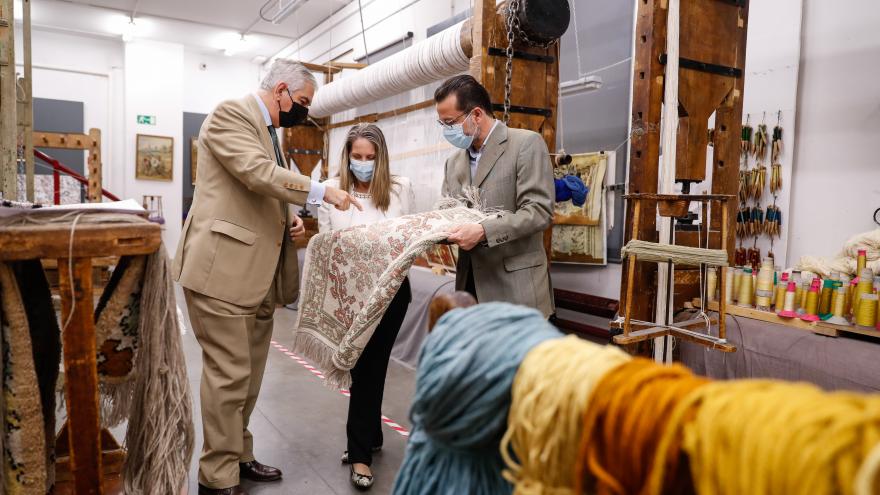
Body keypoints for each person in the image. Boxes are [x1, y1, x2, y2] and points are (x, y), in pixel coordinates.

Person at [173, 60, 362, 495]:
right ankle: (216, 477)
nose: (304, 112)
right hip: (221, 272)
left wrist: (291, 219)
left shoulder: (271, 133)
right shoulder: (230, 114)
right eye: (303, 103)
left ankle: (238, 455)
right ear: (281, 90)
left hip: (255, 277)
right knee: (228, 376)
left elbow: (260, 193)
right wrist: (320, 191)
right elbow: (256, 173)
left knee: (250, 376)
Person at [317, 123, 414, 491]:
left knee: (370, 366)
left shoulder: (400, 188)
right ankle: (371, 435)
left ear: (381, 158)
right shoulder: (331, 189)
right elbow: (327, 242)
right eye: (356, 157)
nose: (363, 163)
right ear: (347, 156)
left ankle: (359, 454)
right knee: (361, 368)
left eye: (370, 158)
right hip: (349, 295)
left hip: (390, 295)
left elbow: (408, 237)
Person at [435, 74, 554, 316]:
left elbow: (539, 212)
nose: (447, 131)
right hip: (470, 290)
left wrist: (483, 232)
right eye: (443, 125)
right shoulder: (453, 161)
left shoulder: (525, 144)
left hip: (515, 290)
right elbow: (446, 211)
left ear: (476, 115)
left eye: (451, 123)